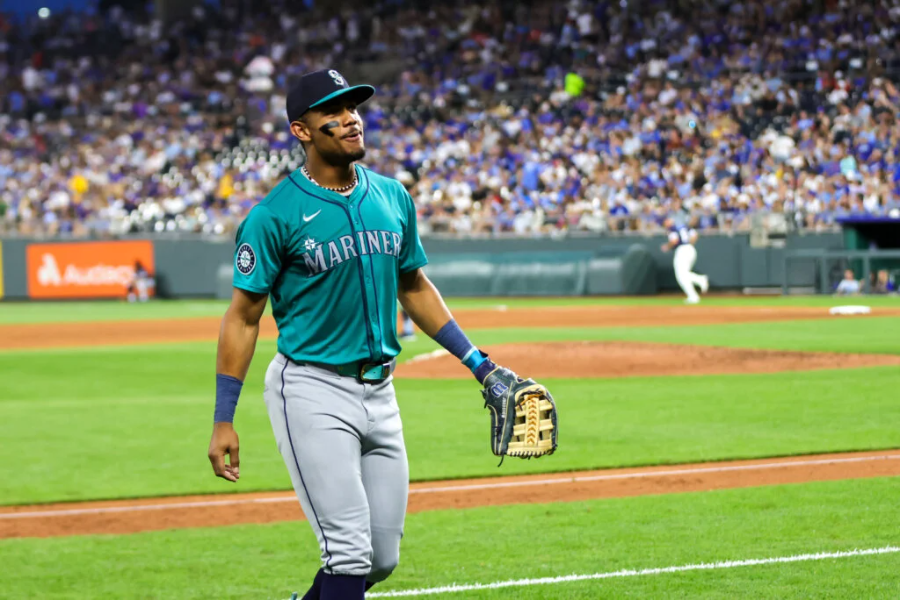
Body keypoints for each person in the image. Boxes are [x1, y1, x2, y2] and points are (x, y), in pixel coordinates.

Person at [206, 69, 522, 600]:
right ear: (302, 131)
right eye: (334, 110)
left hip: (381, 391)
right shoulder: (272, 216)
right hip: (312, 389)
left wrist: (479, 363)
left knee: (381, 557)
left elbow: (414, 285)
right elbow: (242, 317)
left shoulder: (392, 197)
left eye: (354, 107)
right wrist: (223, 419)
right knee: (348, 553)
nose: (351, 118)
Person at [660, 217, 708, 304]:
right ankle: (693, 295)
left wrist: (667, 247)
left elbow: (674, 240)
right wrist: (689, 244)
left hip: (682, 250)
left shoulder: (672, 229)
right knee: (683, 274)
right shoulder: (684, 227)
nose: (666, 224)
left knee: (681, 275)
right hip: (690, 249)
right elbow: (695, 235)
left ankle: (700, 280)